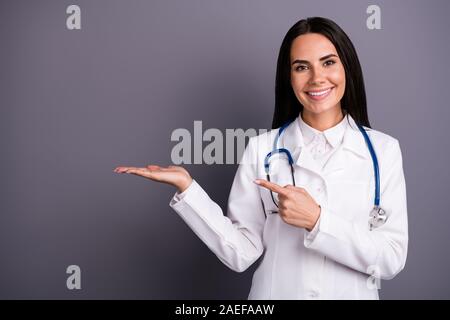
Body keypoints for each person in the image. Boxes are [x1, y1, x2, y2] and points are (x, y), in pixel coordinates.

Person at [113, 17, 408, 300]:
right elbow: (241, 253)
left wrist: (318, 220)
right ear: (289, 77)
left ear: (347, 68)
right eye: (301, 67)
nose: (317, 78)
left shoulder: (383, 151)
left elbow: (391, 258)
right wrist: (188, 189)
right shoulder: (261, 148)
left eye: (328, 62)